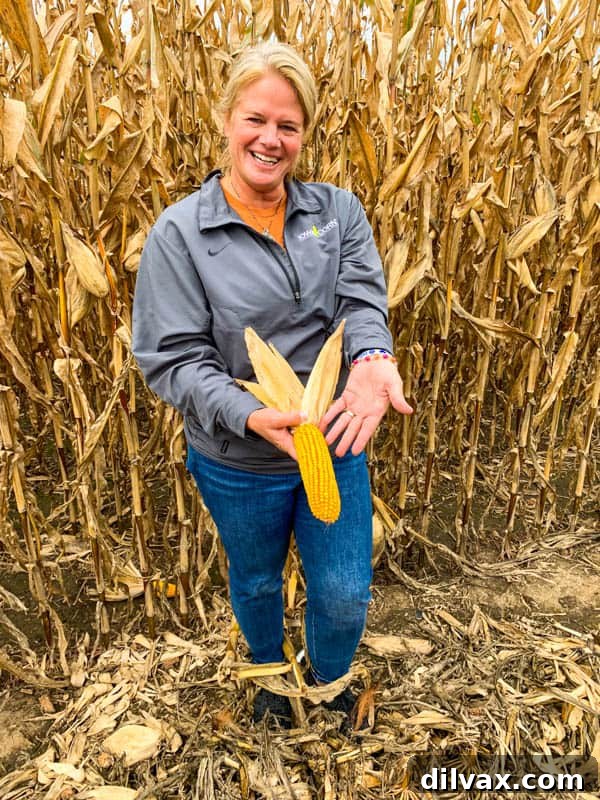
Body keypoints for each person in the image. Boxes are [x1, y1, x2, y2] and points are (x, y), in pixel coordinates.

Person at [132, 42, 412, 730]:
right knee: (256, 580)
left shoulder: (337, 212)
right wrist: (249, 415)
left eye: (289, 126)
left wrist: (373, 355)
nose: (271, 138)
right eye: (256, 119)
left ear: (304, 135)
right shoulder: (181, 235)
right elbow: (171, 357)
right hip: (238, 459)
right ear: (225, 118)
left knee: (344, 593)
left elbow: (362, 302)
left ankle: (326, 678)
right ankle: (267, 675)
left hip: (334, 440)